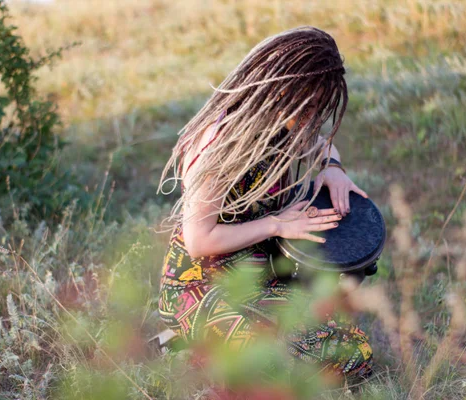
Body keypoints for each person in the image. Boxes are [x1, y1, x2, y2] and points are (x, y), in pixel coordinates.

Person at [157, 26, 373, 380]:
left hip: (263, 280)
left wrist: (333, 168)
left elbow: (322, 145)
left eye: (319, 107)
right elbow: (199, 240)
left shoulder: (286, 128)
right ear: (283, 88)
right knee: (272, 367)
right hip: (200, 286)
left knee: (355, 355)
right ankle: (187, 343)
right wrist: (276, 225)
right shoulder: (218, 142)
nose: (313, 117)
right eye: (310, 104)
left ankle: (208, 346)